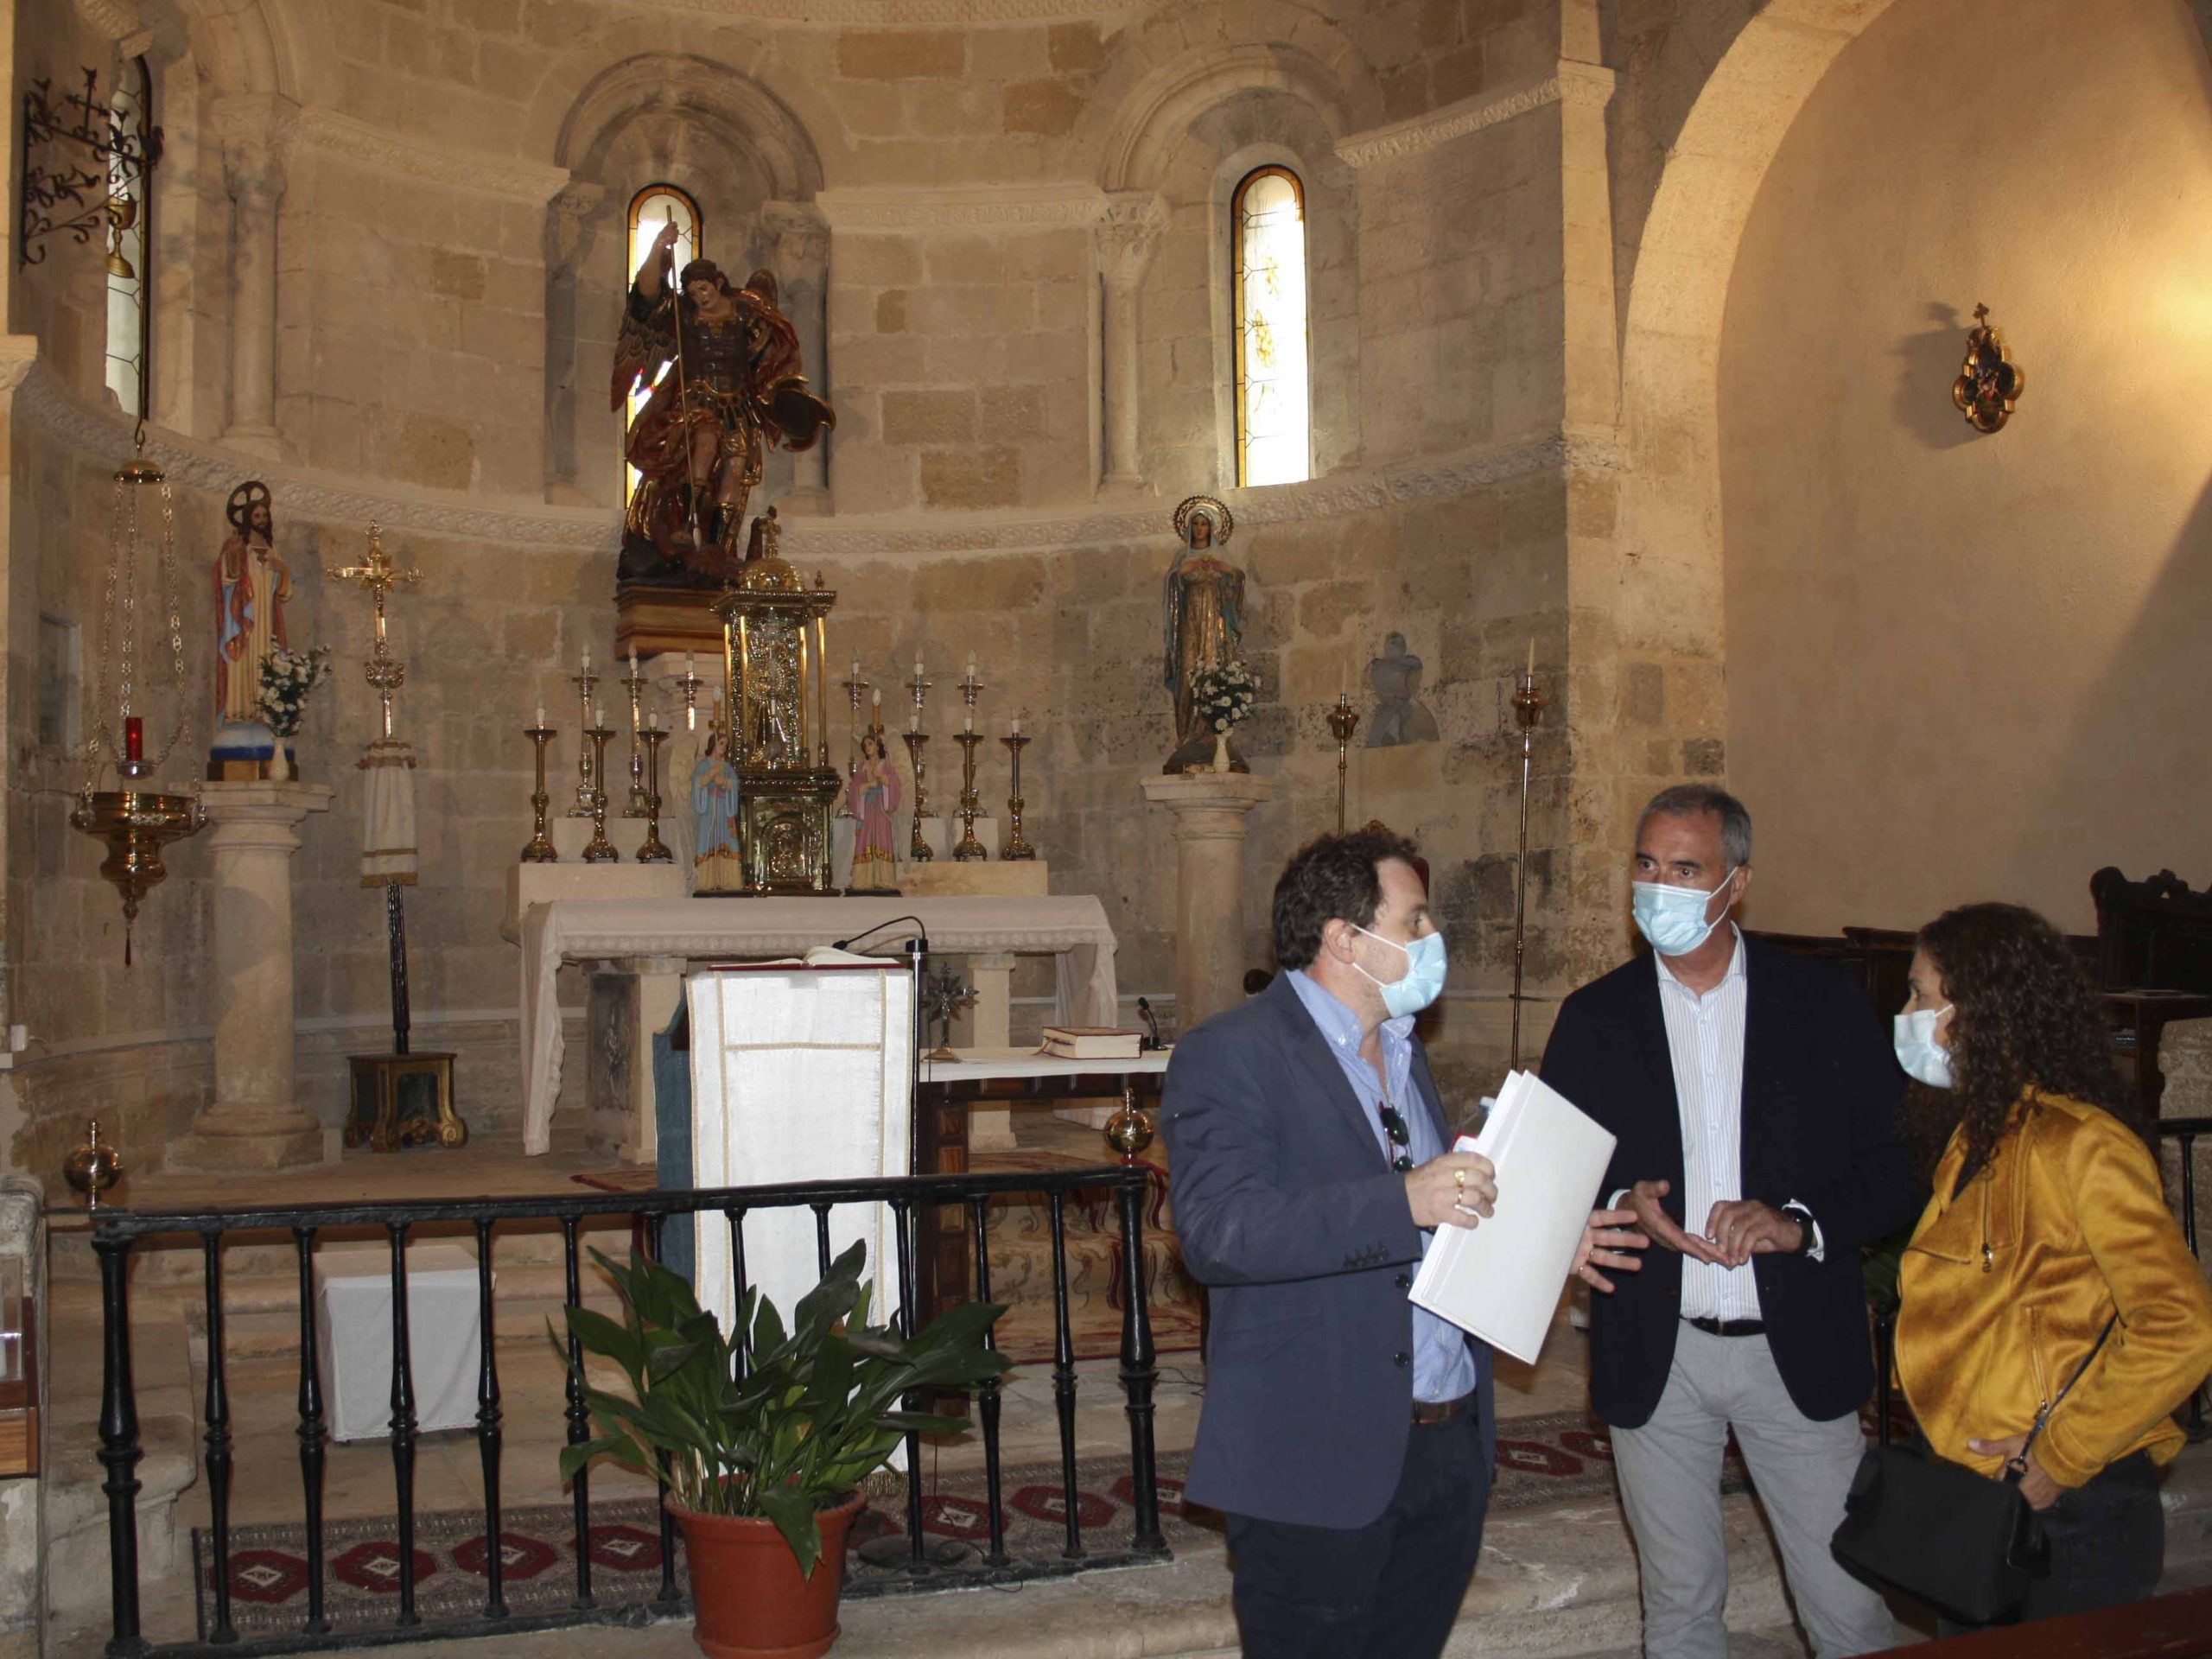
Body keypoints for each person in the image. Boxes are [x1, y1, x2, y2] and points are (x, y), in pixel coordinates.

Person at [1163, 828, 1645, 1659]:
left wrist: (1537, 1242)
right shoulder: (1233, 1052)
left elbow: (1436, 1225)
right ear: (1344, 937)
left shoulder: (1402, 1050)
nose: (1433, 942)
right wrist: (1401, 1200)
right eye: (1416, 922)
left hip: (1445, 1446)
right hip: (1317, 1455)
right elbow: (1218, 1233)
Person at [1539, 784, 1918, 1659]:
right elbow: (1551, 1188)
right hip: (1654, 1344)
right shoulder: (1594, 1018)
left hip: (1792, 1347)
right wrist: (1614, 1207)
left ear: (1735, 882)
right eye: (1645, 865)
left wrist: (1799, 1223)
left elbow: (1897, 1169)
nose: (1659, 887)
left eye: (1684, 869)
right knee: (1678, 1604)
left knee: (1847, 1605)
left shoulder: (1818, 1005)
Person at [1891, 901, 2212, 1629]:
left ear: (1980, 1009)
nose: (1906, 1011)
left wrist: (2059, 1456)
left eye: (1920, 993)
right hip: (1988, 1490)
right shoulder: (1981, 1135)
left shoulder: (2079, 1143)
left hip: (2072, 1506)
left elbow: (2180, 1323)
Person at [613, 222, 833, 586]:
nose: (699, 297)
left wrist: (785, 397)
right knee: (704, 443)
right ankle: (685, 527)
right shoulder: (684, 316)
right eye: (693, 291)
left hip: (738, 404)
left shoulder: (747, 314)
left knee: (736, 463)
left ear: (717, 283)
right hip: (697, 399)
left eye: (703, 289)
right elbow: (647, 299)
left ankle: (718, 546)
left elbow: (770, 361)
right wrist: (657, 250)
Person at [213, 480, 289, 727]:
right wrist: (235, 557)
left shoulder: (272, 551)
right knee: (243, 661)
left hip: (266, 622)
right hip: (243, 618)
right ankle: (239, 712)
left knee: (266, 660)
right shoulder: (237, 547)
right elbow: (225, 576)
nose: (261, 519)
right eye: (257, 515)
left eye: (264, 515)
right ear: (247, 518)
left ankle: (263, 712)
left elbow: (284, 592)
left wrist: (282, 571)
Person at [845, 730, 900, 892]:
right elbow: (853, 788)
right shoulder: (863, 767)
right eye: (865, 745)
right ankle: (864, 880)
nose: (867, 747)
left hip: (881, 809)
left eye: (870, 744)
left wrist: (884, 779)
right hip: (867, 809)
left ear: (877, 745)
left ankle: (883, 879)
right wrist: (867, 786)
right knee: (864, 840)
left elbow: (896, 785)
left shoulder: (887, 765)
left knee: (882, 838)